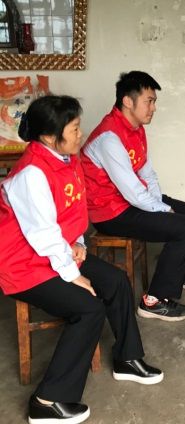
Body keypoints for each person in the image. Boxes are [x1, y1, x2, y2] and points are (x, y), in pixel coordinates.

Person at [0, 96, 163, 424]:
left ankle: (127, 359)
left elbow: (72, 210)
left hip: (58, 251)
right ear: (50, 136)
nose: (81, 134)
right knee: (88, 308)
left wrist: (77, 243)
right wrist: (73, 273)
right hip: (24, 263)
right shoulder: (31, 173)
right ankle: (47, 401)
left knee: (116, 281)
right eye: (74, 129)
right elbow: (41, 232)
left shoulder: (66, 158)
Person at [81, 71, 185, 321]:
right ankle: (154, 301)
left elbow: (146, 173)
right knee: (183, 227)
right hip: (111, 212)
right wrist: (164, 210)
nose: (154, 108)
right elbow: (132, 190)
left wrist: (160, 203)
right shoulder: (109, 138)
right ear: (128, 101)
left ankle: (182, 275)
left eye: (154, 101)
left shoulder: (135, 128)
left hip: (130, 202)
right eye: (149, 101)